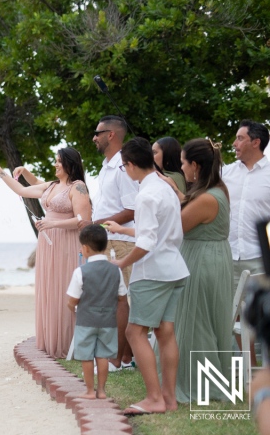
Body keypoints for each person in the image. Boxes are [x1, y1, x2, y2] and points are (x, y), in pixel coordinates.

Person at [110, 137, 189, 416]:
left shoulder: (144, 195)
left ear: (130, 165)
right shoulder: (167, 188)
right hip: (175, 268)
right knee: (165, 333)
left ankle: (154, 398)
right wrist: (122, 231)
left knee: (134, 331)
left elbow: (145, 244)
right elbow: (158, 232)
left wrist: (121, 262)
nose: (125, 171)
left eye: (123, 167)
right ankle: (168, 398)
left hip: (153, 272)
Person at [0, 148, 92, 358]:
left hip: (67, 244)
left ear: (69, 164)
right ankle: (51, 340)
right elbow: (22, 190)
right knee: (50, 288)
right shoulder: (52, 186)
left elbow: (85, 220)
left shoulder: (78, 187)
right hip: (48, 245)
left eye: (58, 162)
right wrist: (0, 172)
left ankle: (68, 342)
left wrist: (52, 223)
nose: (55, 165)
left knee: (64, 288)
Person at [162, 138, 232, 403]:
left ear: (195, 165)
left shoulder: (207, 198)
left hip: (203, 262)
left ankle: (203, 384)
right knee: (197, 320)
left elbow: (174, 226)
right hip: (207, 256)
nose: (181, 168)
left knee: (197, 323)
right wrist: (177, 192)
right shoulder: (215, 189)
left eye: (182, 163)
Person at [91, 115, 139, 371]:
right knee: (116, 301)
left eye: (97, 133)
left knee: (120, 301)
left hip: (122, 241)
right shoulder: (107, 165)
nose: (94, 137)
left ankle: (116, 360)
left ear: (111, 135)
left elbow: (132, 209)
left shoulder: (123, 166)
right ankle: (126, 358)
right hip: (110, 240)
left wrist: (98, 223)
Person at [66, 225, 127, 400]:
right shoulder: (115, 270)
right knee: (103, 356)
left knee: (86, 356)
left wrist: (72, 309)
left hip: (86, 320)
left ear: (84, 249)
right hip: (108, 321)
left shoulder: (80, 272)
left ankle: (89, 391)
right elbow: (122, 297)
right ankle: (101, 391)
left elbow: (73, 299)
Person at [222, 120, 270, 293]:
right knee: (226, 316)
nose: (234, 144)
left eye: (240, 138)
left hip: (260, 260)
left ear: (255, 142)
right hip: (227, 258)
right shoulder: (225, 173)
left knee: (258, 315)